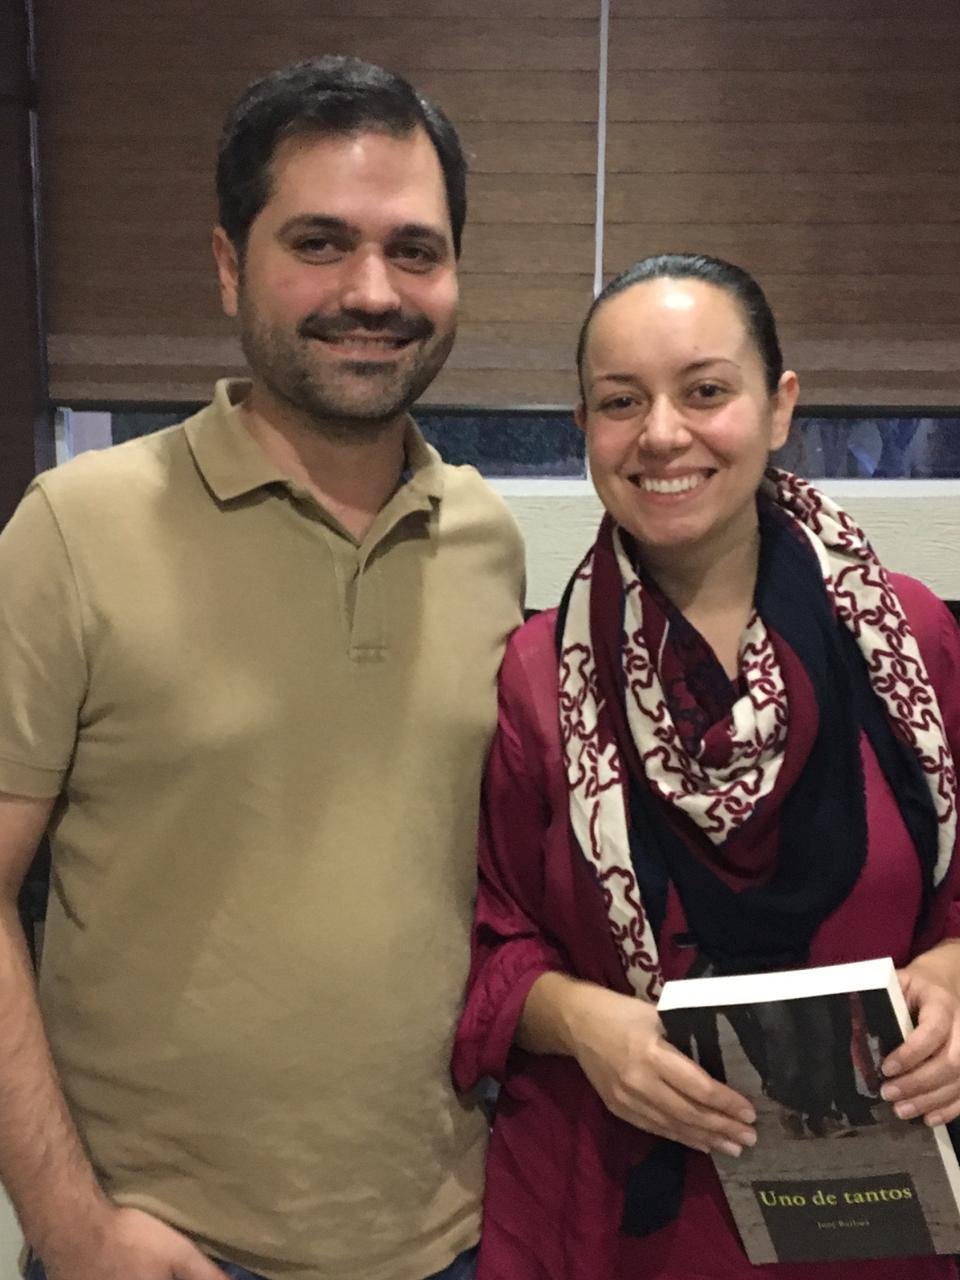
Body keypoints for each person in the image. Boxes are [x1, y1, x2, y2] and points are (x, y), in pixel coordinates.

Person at [0, 56, 524, 1280]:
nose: (372, 291)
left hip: (455, 1235)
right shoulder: (75, 528)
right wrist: (73, 1225)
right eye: (320, 243)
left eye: (414, 250)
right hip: (162, 1248)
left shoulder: (487, 538)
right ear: (231, 264)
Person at [453, 252, 960, 1280]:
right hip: (619, 1209)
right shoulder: (537, 677)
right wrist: (582, 1021)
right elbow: (489, 940)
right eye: (620, 402)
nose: (662, 434)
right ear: (584, 429)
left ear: (780, 408)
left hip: (872, 1216)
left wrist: (954, 974)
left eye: (705, 391)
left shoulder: (908, 642)